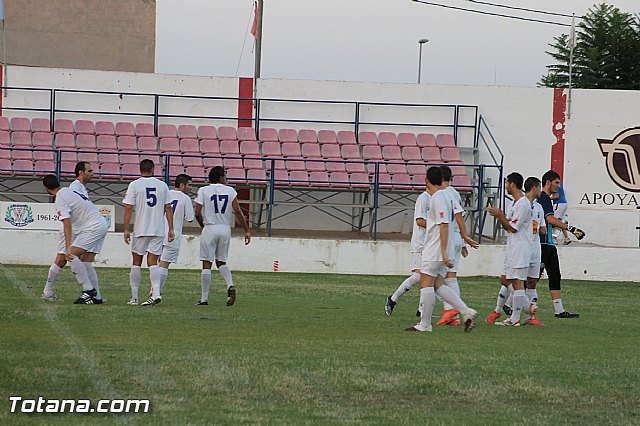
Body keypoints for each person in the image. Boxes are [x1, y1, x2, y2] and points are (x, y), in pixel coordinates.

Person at [404, 166, 478, 333]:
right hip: (443, 246)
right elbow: (459, 214)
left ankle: (425, 325)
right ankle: (466, 312)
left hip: (436, 247)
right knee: (437, 284)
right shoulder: (448, 195)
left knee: (425, 283)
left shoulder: (438, 198)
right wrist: (464, 236)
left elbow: (444, 225)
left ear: (427, 181)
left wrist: (443, 252)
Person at [486, 176, 545, 326]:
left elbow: (513, 228)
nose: (505, 185)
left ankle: (517, 316)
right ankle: (519, 311)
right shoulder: (517, 203)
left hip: (520, 248)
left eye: (506, 183)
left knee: (518, 283)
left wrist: (500, 216)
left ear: (512, 184)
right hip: (515, 248)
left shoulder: (523, 204)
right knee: (507, 279)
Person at [42, 174, 108, 304]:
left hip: (92, 227)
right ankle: (97, 297)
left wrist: (67, 248)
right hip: (100, 224)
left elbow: (67, 223)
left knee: (70, 255)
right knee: (86, 262)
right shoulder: (69, 190)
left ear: (46, 188)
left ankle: (88, 290)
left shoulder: (60, 198)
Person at [195, 166, 251, 306]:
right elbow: (237, 211)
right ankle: (230, 285)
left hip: (210, 227)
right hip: (225, 229)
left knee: (206, 263)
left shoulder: (203, 190)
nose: (226, 179)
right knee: (221, 261)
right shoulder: (230, 190)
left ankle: (204, 298)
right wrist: (246, 230)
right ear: (220, 177)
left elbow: (197, 212)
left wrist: (203, 225)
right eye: (224, 176)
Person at [123, 159, 175, 306]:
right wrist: (171, 228)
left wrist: (126, 229)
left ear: (140, 170)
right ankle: (156, 293)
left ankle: (134, 298)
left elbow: (128, 208)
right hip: (157, 229)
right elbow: (168, 208)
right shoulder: (162, 185)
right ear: (153, 169)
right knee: (153, 262)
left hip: (141, 229)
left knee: (136, 261)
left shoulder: (135, 185)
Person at [436, 165, 479, 326]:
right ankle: (454, 316)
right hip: (455, 237)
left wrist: (464, 236)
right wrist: (462, 240)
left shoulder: (444, 193)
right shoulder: (454, 192)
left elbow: (457, 214)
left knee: (437, 278)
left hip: (449, 236)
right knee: (451, 277)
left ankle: (451, 310)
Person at [538, 170, 583, 318]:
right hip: (543, 243)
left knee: (555, 275)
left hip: (549, 243)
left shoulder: (546, 198)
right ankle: (509, 304)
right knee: (533, 277)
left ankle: (559, 311)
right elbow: (550, 219)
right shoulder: (544, 198)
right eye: (557, 183)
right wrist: (570, 228)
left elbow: (550, 222)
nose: (559, 186)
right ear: (548, 182)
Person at [385, 180, 433, 316]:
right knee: (421, 276)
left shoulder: (434, 199)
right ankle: (394, 299)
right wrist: (437, 227)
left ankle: (419, 310)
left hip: (429, 243)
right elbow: (420, 221)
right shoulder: (423, 199)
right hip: (420, 243)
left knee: (426, 277)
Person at [154, 174, 195, 296]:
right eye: (189, 185)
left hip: (159, 231)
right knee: (164, 265)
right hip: (173, 234)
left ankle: (154, 290)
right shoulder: (185, 198)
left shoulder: (165, 193)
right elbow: (190, 218)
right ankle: (156, 292)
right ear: (182, 185)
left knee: (155, 263)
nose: (191, 188)